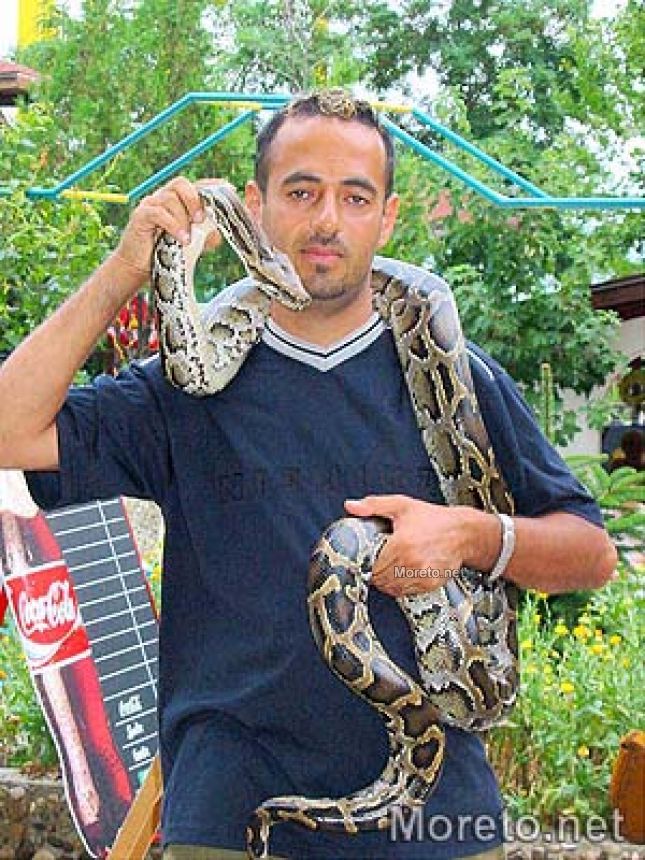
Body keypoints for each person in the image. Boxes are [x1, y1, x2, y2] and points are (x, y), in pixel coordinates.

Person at [0, 89, 617, 860]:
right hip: (230, 817)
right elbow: (10, 428)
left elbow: (590, 554)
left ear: (386, 219)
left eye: (354, 197)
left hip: (438, 821)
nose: (326, 220)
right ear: (254, 206)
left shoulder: (461, 376)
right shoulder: (183, 389)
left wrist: (470, 536)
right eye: (300, 191)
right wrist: (127, 268)